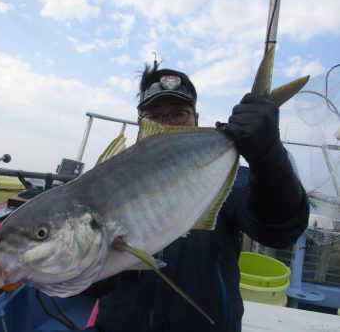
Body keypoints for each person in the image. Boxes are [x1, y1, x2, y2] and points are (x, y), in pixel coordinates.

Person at [77, 62, 309, 332]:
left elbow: (279, 229)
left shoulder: (228, 178)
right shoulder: (109, 181)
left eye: (178, 114)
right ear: (141, 125)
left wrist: (268, 157)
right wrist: (89, 273)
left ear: (196, 120)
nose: (167, 125)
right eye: (154, 116)